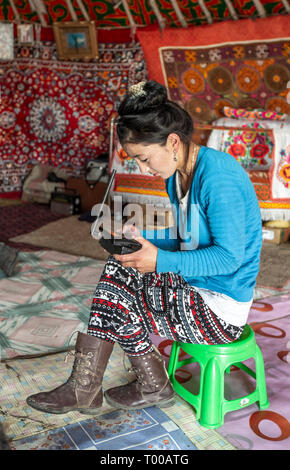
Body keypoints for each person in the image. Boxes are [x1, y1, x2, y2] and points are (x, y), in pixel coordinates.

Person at [26, 80, 262, 415]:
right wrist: (146, 240)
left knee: (118, 300)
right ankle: (109, 386)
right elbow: (187, 234)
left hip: (220, 310)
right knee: (119, 267)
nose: (142, 168)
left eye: (144, 158)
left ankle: (108, 386)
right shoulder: (176, 175)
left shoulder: (218, 178)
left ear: (173, 142)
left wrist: (161, 260)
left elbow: (229, 258)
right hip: (197, 289)